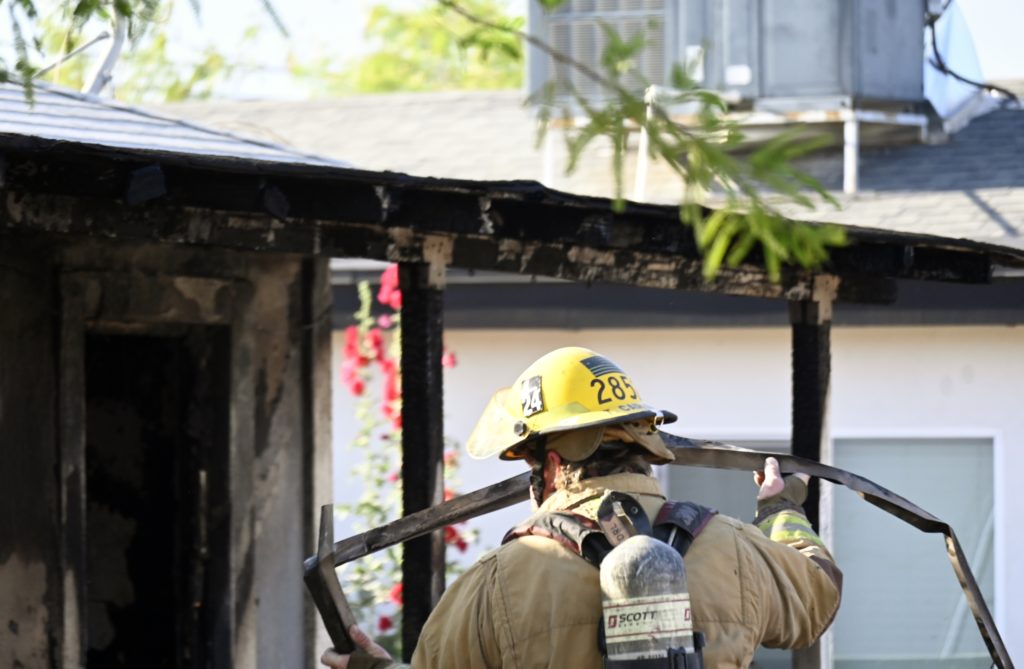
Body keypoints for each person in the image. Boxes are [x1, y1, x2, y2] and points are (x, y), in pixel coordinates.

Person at [323, 347, 842, 669]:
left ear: (551, 465)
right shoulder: (734, 548)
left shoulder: (497, 581)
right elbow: (819, 594)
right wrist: (780, 511)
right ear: (644, 446)